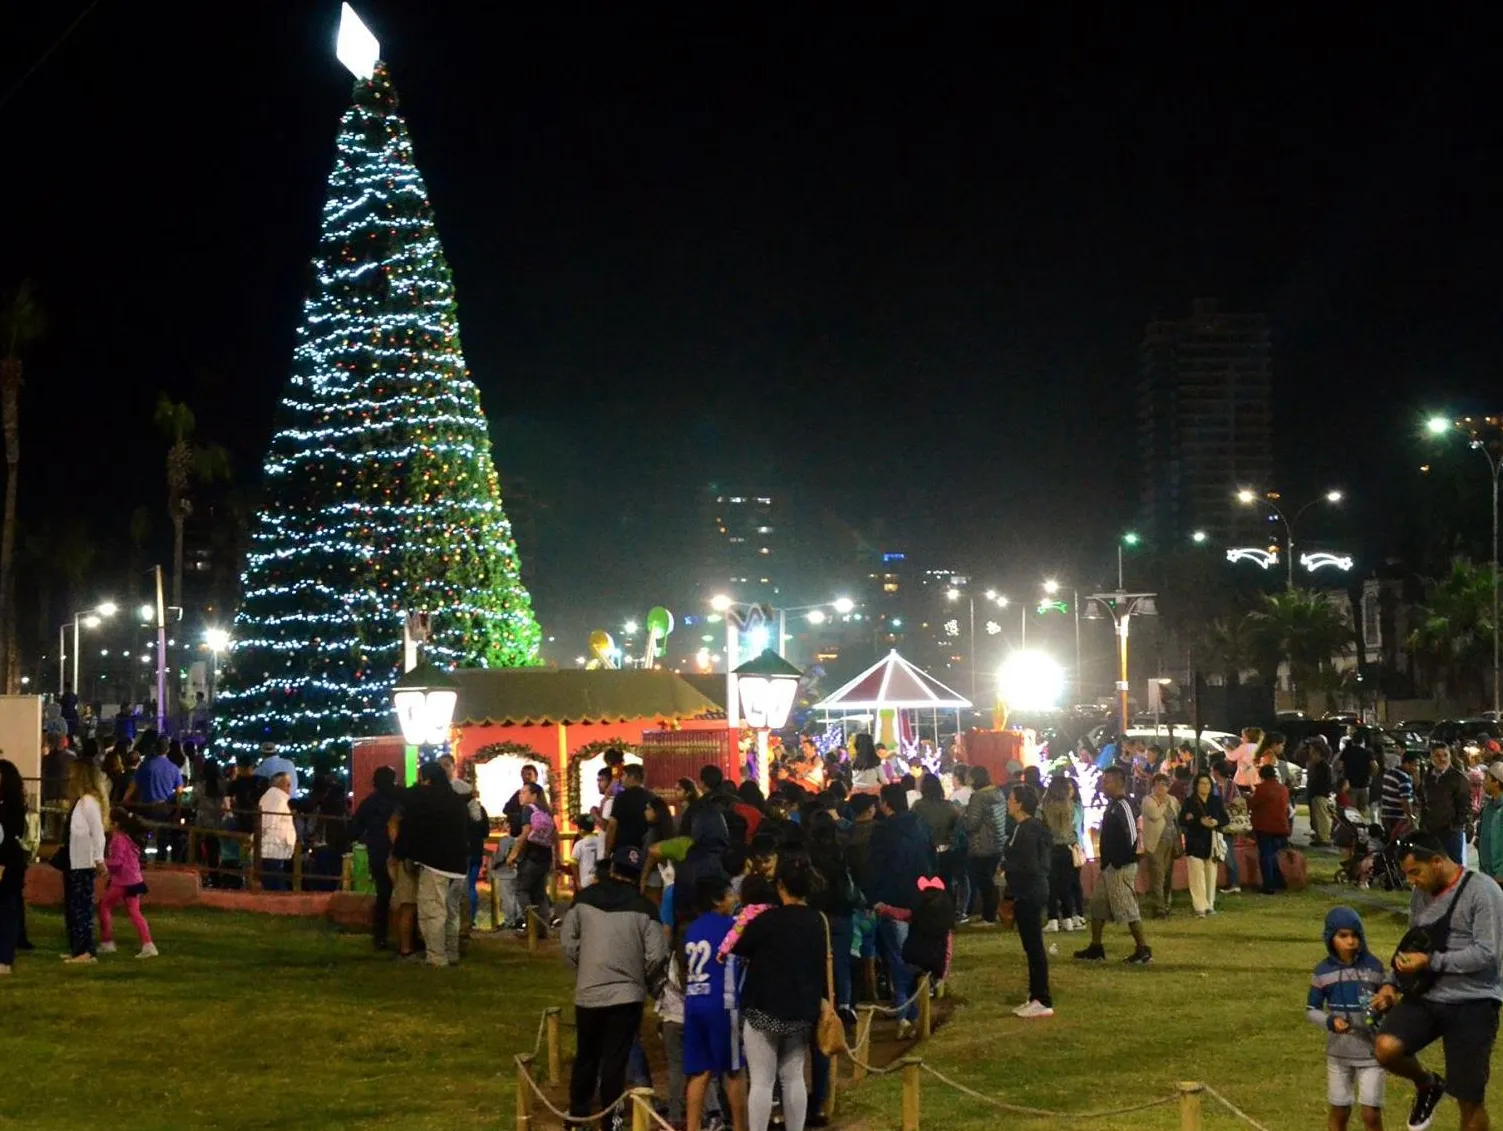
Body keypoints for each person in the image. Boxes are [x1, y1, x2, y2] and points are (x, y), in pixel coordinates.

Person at [1370, 832, 1503, 1131]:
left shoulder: (1483, 891)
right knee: (1386, 1048)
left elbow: (1488, 954)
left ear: (1438, 862)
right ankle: (1427, 1084)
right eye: (1407, 875)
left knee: (1469, 1099)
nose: (1412, 882)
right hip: (1428, 995)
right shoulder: (1421, 895)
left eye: (1415, 873)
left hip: (1474, 999)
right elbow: (1413, 943)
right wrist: (1393, 983)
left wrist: (1433, 962)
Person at [563, 845, 669, 1125]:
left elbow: (568, 941)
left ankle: (576, 1116)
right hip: (626, 996)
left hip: (589, 992)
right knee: (615, 1058)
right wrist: (638, 974)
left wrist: (584, 965)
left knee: (586, 1055)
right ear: (638, 875)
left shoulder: (584, 898)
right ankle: (610, 1120)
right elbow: (658, 953)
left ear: (611, 869)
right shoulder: (646, 907)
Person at [731, 852, 828, 1131]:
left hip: (763, 1008)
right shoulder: (817, 921)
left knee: (762, 1081)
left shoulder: (767, 919)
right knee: (793, 1077)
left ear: (780, 885)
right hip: (800, 1010)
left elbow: (738, 946)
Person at [1307, 906, 1387, 1131]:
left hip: (1372, 1054)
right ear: (1330, 937)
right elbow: (1311, 1009)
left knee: (1371, 1113)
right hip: (1338, 1055)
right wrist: (1330, 1022)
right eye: (1343, 936)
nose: (1350, 941)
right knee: (1339, 1111)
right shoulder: (1322, 972)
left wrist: (1384, 1004)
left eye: (1355, 935)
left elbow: (1388, 1000)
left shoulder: (1374, 967)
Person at [867, 782, 934, 1038]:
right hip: (919, 898)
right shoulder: (920, 826)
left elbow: (873, 867)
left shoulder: (882, 831)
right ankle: (914, 1010)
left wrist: (874, 898)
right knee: (914, 954)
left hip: (891, 902)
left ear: (886, 804)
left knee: (897, 957)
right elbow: (931, 859)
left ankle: (906, 1014)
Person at [682, 875, 749, 1131]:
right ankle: (742, 1127)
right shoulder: (730, 926)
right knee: (733, 1070)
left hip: (694, 1001)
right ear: (717, 900)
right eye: (730, 894)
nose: (735, 899)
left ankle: (692, 1127)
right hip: (721, 1004)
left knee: (699, 1072)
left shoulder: (692, 928)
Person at [393, 762, 470, 967]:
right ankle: (452, 952)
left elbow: (408, 820)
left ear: (426, 779)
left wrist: (400, 853)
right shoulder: (455, 799)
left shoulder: (425, 798)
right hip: (459, 865)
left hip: (436, 864)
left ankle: (436, 957)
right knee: (452, 912)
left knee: (433, 911)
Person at [1074, 767, 1151, 964]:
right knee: (1098, 904)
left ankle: (1142, 949)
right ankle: (1096, 947)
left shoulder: (1124, 804)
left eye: (1106, 781)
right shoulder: (1114, 805)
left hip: (1120, 865)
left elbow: (1133, 836)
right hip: (1110, 865)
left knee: (1127, 906)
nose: (1102, 785)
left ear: (1118, 782)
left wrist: (1123, 859)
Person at [1002, 784, 1053, 1018]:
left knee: (1034, 947)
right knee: (1031, 946)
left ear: (1019, 803)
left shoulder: (1028, 830)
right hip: (1030, 890)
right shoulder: (1027, 828)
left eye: (1011, 799)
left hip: (1029, 891)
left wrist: (1009, 870)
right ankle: (1035, 995)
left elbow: (1030, 864)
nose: (1008, 803)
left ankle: (1042, 998)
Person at [63, 759, 109, 963]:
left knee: (81, 907)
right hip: (76, 860)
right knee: (76, 906)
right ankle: (79, 948)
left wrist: (99, 859)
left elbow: (98, 833)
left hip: (83, 862)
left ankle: (85, 951)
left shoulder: (88, 802)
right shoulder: (83, 801)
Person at [350, 766, 402, 948]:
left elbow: (355, 827)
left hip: (379, 851)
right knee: (408, 895)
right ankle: (409, 936)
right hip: (402, 851)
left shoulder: (369, 802)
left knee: (383, 894)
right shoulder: (402, 797)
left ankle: (380, 936)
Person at [98, 809, 157, 958]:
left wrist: (102, 863)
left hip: (122, 881)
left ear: (115, 823)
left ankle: (107, 942)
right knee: (135, 912)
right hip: (135, 879)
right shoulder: (130, 838)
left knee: (104, 906)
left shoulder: (117, 838)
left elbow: (117, 862)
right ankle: (148, 944)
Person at [507, 782, 558, 935]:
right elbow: (555, 835)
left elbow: (524, 834)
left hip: (531, 857)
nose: (520, 795)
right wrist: (556, 857)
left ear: (533, 795)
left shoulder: (528, 810)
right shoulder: (546, 811)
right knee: (539, 893)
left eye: (523, 792)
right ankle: (541, 930)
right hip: (545, 857)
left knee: (521, 890)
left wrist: (513, 855)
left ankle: (531, 928)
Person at [0, 758, 33, 974]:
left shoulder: (11, 808)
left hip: (7, 862)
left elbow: (9, 836)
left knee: (7, 910)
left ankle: (4, 959)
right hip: (10, 860)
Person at [1179, 771, 1227, 918]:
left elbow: (1225, 818)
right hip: (1195, 842)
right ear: (1196, 785)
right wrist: (1198, 821)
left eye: (1207, 783)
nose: (1205, 786)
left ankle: (1210, 905)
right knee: (1196, 876)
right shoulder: (1190, 801)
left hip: (1211, 842)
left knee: (1211, 875)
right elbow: (1182, 820)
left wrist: (1216, 822)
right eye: (1202, 783)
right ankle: (1200, 907)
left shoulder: (1216, 800)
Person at [963, 765, 1005, 925]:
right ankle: (990, 914)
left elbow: (972, 823)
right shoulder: (998, 793)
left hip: (981, 843)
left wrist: (963, 817)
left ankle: (989, 916)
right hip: (997, 841)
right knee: (989, 880)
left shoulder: (978, 797)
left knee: (984, 881)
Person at [1419, 742, 1473, 867]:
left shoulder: (1458, 778)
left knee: (1454, 867)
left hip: (1451, 832)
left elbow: (1465, 805)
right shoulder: (1427, 778)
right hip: (1431, 831)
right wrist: (1423, 824)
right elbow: (1422, 801)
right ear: (1431, 758)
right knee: (1434, 866)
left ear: (1450, 756)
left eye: (1445, 755)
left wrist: (1457, 825)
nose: (1442, 759)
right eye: (1437, 755)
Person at [1040, 776, 1083, 931]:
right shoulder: (1069, 805)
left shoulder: (1046, 805)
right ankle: (1068, 918)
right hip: (1068, 847)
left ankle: (1052, 919)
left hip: (1052, 848)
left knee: (1052, 885)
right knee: (1066, 885)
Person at [1138, 773, 1181, 918]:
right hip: (1155, 843)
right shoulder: (1148, 800)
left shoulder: (1173, 800)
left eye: (1164, 784)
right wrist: (1164, 803)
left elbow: (1177, 815)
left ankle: (1167, 904)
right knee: (1158, 875)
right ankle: (1159, 907)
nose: (1161, 787)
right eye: (1157, 784)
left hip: (1171, 840)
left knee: (1168, 874)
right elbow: (1155, 815)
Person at [1251, 765, 1292, 895]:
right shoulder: (1283, 789)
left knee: (1266, 856)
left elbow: (1253, 804)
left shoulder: (1262, 789)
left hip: (1265, 826)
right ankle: (1279, 881)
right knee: (1272, 855)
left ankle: (1268, 885)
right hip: (1281, 826)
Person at [257, 772, 297, 890]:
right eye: (287, 784)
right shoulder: (276, 797)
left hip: (274, 847)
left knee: (274, 879)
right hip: (272, 848)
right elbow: (266, 821)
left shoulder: (274, 797)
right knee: (275, 882)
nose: (289, 788)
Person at [607, 763, 655, 853]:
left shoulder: (621, 797)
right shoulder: (652, 797)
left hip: (624, 850)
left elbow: (612, 825)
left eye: (624, 775)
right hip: (645, 849)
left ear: (632, 777)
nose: (621, 779)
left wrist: (606, 853)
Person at [1381, 750, 1421, 840]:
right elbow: (1405, 800)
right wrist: (1410, 819)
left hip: (1385, 814)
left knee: (1389, 841)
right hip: (1397, 818)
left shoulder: (1390, 771)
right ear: (1406, 763)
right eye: (1415, 765)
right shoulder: (1404, 778)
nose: (1416, 768)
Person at [1340, 732, 1379, 821]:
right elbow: (1375, 766)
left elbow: (1339, 766)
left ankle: (1354, 831)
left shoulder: (1347, 751)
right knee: (1362, 810)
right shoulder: (1367, 752)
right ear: (1362, 741)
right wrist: (1370, 775)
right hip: (1364, 785)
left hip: (1350, 785)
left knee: (1351, 812)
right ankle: (1362, 829)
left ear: (1352, 741)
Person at [1476, 762, 1503, 884]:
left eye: (1487, 778)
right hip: (1487, 874)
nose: (1483, 781)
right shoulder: (1489, 806)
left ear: (1496, 782)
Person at [1307, 742, 1336, 847]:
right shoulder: (1319, 765)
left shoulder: (1323, 766)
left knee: (1322, 817)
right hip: (1316, 794)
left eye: (1312, 752)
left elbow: (1323, 782)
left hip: (1320, 794)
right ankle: (1320, 838)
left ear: (1318, 753)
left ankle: (1323, 839)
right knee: (1318, 818)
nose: (1310, 754)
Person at [574, 813, 605, 891]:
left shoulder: (579, 844)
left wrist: (577, 881)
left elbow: (573, 864)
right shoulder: (600, 842)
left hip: (585, 883)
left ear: (581, 830)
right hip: (599, 881)